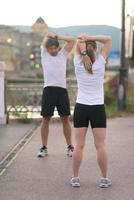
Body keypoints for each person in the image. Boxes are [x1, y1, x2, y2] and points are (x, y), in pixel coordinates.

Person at [70, 34, 112, 188]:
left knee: (79, 145)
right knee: (100, 145)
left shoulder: (78, 62)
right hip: (97, 108)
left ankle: (75, 178)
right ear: (95, 49)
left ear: (84, 50)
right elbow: (108, 39)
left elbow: (77, 41)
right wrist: (91, 36)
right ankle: (104, 179)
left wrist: (82, 52)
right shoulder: (100, 62)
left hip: (81, 107)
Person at [37, 32, 75, 157]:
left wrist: (58, 37)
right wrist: (50, 37)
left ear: (58, 47)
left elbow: (72, 41)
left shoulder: (63, 54)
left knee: (66, 119)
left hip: (61, 90)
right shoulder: (44, 54)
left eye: (55, 48)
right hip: (48, 90)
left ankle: (70, 147)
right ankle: (43, 147)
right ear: (47, 49)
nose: (53, 50)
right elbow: (46, 36)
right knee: (45, 119)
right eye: (50, 48)